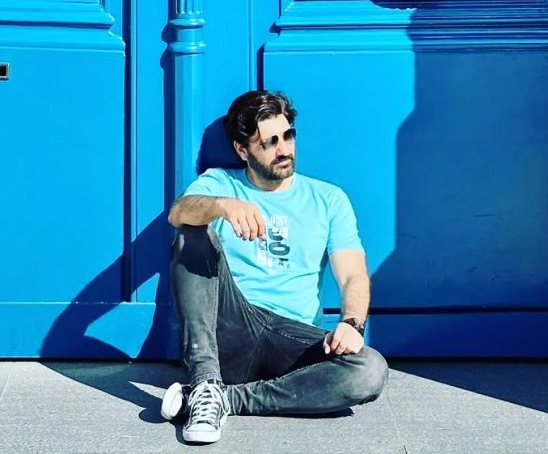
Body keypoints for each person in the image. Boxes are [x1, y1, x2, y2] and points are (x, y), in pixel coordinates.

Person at [161, 90, 388, 444]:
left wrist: (352, 322)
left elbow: (352, 273)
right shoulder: (221, 183)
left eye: (288, 136)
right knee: (191, 236)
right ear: (242, 150)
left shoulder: (329, 198)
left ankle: (217, 399)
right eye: (269, 142)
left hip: (292, 337)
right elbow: (179, 213)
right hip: (233, 326)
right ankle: (206, 378)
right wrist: (222, 206)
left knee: (370, 370)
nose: (284, 149)